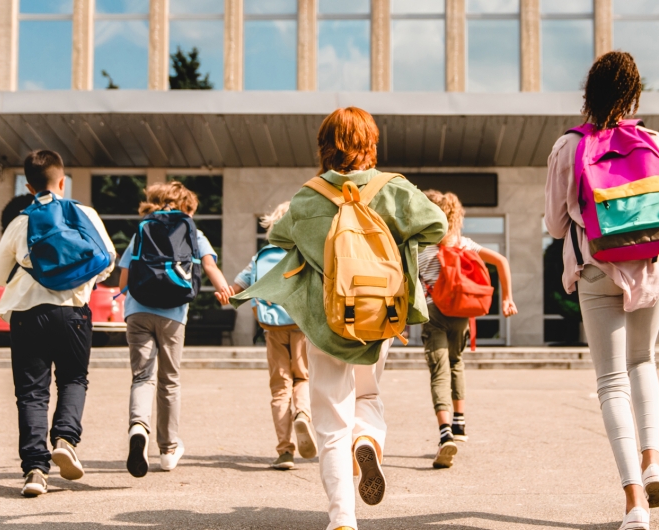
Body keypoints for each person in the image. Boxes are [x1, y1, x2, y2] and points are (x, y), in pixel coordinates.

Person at [231, 107, 447, 530]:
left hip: (325, 320)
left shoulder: (308, 196)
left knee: (330, 418)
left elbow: (278, 236)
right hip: (380, 314)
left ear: (324, 146)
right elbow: (436, 225)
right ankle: (367, 439)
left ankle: (343, 518)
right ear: (371, 143)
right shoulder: (394, 189)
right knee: (367, 394)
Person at [545, 52, 659, 530]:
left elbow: (554, 222)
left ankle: (634, 503)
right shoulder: (653, 139)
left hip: (597, 268)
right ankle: (654, 462)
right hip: (648, 263)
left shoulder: (568, 146)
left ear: (590, 93)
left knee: (610, 382)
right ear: (633, 95)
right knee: (643, 362)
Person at [0, 150, 116, 497]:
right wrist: (78, 280)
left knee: (31, 393)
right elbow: (107, 260)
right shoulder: (83, 214)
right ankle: (65, 439)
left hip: (27, 314)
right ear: (63, 181)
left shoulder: (21, 221)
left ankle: (34, 471)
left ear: (29, 185)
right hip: (73, 312)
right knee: (74, 378)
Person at [119, 181, 233, 478]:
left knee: (142, 377)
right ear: (186, 208)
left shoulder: (142, 229)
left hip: (138, 311)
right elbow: (209, 266)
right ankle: (168, 450)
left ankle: (137, 428)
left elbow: (123, 281)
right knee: (169, 381)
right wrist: (224, 291)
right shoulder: (194, 232)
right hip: (173, 315)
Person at [418, 190, 518, 469]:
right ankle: (460, 423)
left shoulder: (421, 247)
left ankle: (445, 432)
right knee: (456, 362)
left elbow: (407, 283)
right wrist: (507, 298)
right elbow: (502, 261)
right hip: (461, 313)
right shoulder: (463, 243)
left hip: (434, 312)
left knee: (439, 371)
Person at [232, 201, 316, 471]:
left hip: (272, 328)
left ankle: (285, 451)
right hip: (302, 324)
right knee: (302, 377)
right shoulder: (304, 252)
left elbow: (238, 287)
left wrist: (225, 291)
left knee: (280, 388)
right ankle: (302, 412)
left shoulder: (261, 257)